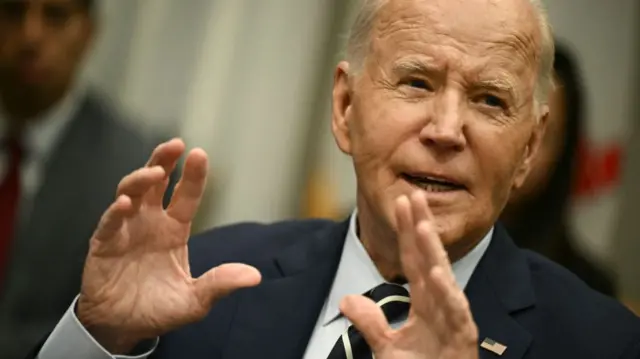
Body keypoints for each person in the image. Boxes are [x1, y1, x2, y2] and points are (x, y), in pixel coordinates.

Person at [30, 0, 640, 358]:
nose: (447, 130)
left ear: (531, 148)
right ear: (346, 108)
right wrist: (100, 338)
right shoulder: (207, 280)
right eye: (417, 83)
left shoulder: (604, 344)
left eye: (488, 100)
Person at [0, 0, 177, 357]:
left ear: (87, 33)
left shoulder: (137, 173)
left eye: (56, 16)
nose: (31, 35)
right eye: (13, 12)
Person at [500, 42, 617, 297]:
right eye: (506, 117)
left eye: (542, 134)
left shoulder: (586, 288)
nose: (520, 149)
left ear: (563, 150)